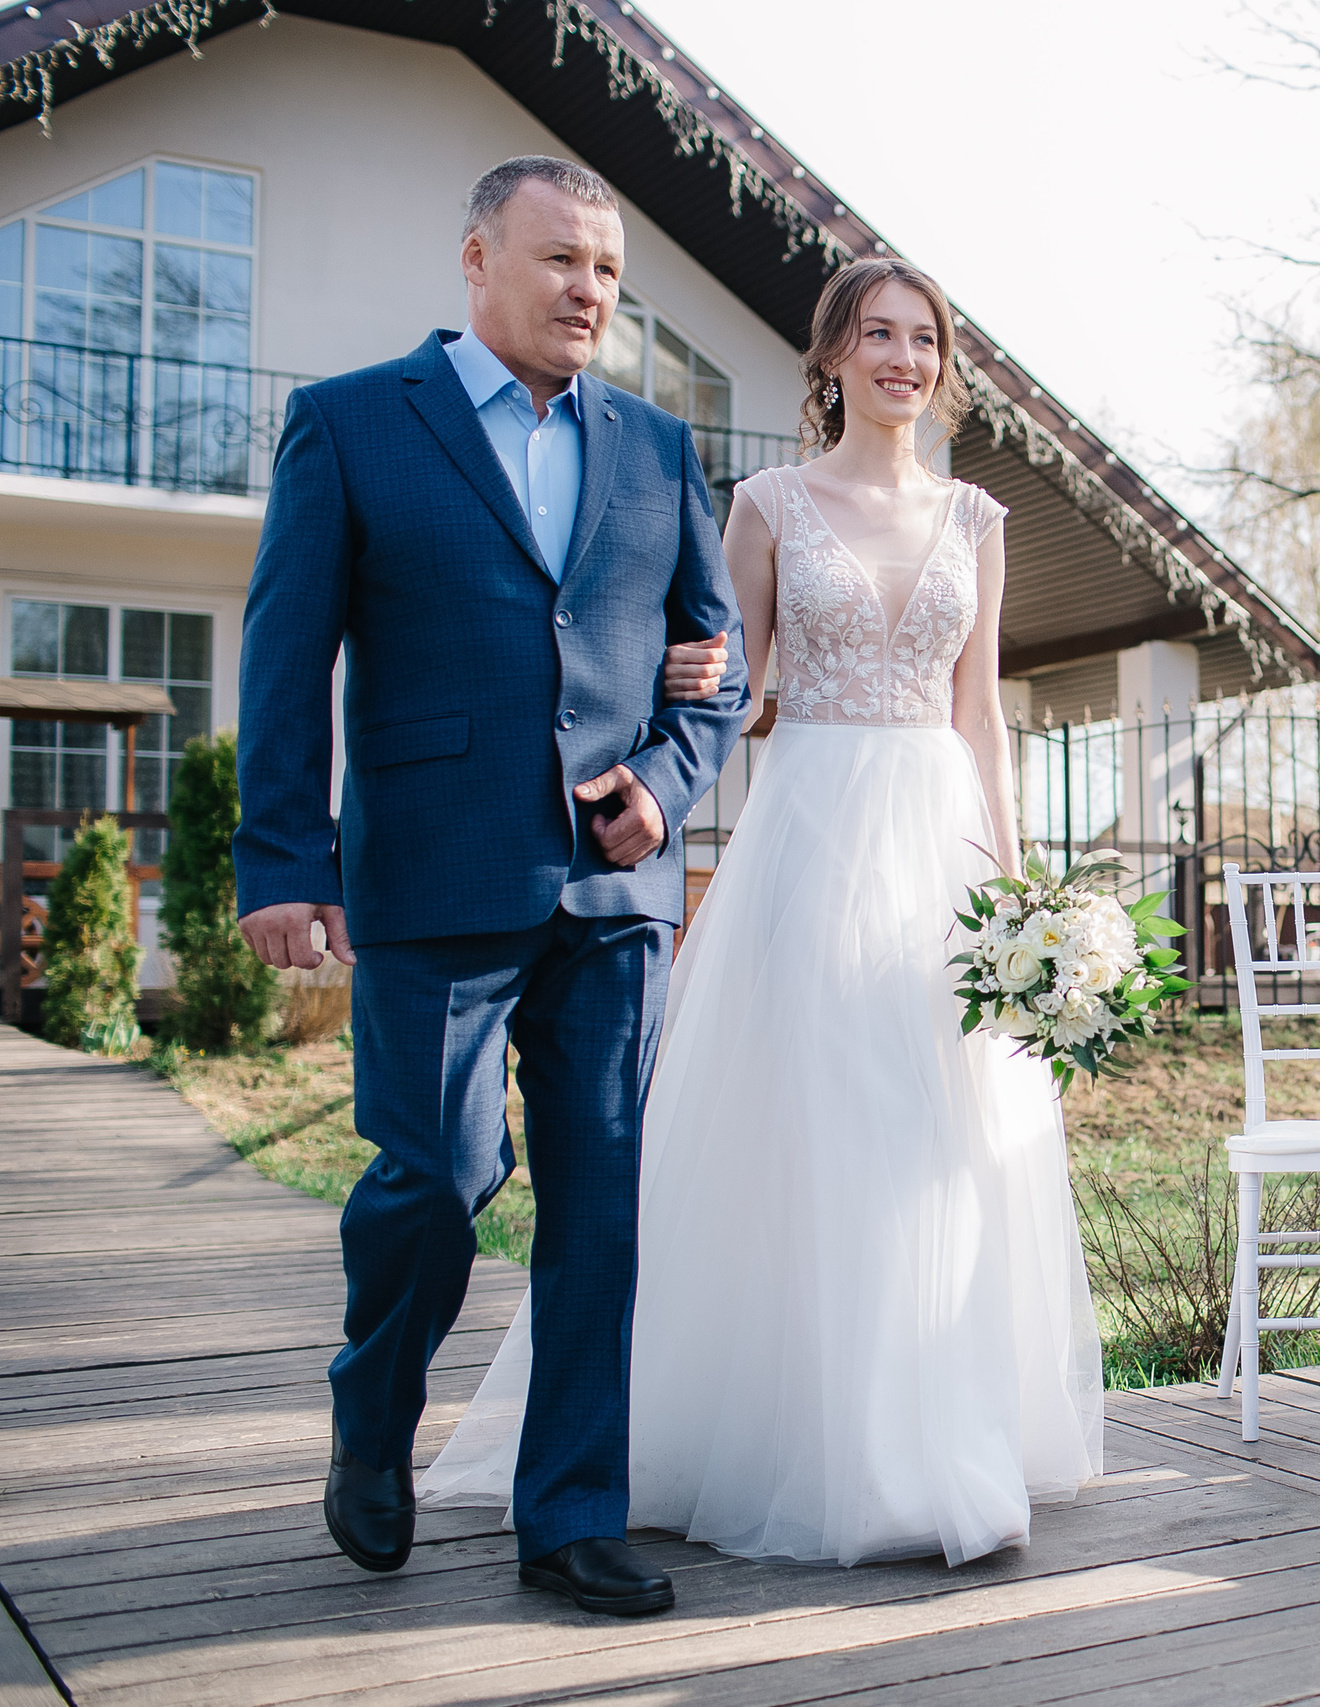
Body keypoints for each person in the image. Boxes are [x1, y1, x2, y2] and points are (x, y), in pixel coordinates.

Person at [421, 256, 1105, 1566]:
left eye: (924, 338)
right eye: (879, 334)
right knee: (825, 1122)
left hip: (944, 847)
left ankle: (936, 1438)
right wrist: (657, 769)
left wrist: (1020, 898)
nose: (903, 357)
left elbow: (983, 716)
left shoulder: (977, 519)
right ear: (834, 353)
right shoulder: (772, 502)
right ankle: (811, 1442)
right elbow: (721, 684)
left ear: (940, 362)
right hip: (814, 830)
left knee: (936, 1140)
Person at [234, 156, 752, 1616]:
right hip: (432, 873)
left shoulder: (658, 446)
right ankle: (372, 1401)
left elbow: (717, 667)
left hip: (612, 896)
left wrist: (663, 780)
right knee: (438, 1176)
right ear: (477, 258)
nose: (591, 290)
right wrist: (283, 857)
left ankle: (573, 1515)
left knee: (598, 1208)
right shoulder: (348, 425)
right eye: (562, 260)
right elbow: (285, 659)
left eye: (608, 269)